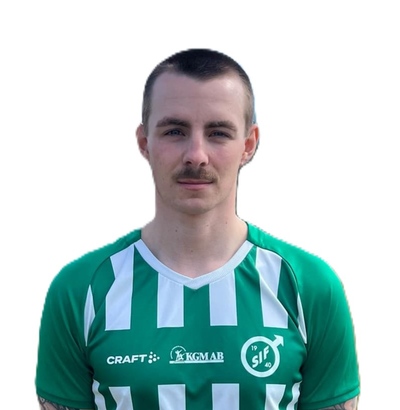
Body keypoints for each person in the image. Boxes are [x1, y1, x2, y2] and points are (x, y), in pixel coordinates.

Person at [36, 48, 360, 410]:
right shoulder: (80, 289)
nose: (196, 155)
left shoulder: (310, 286)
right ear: (144, 142)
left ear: (248, 145)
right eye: (175, 131)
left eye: (218, 133)